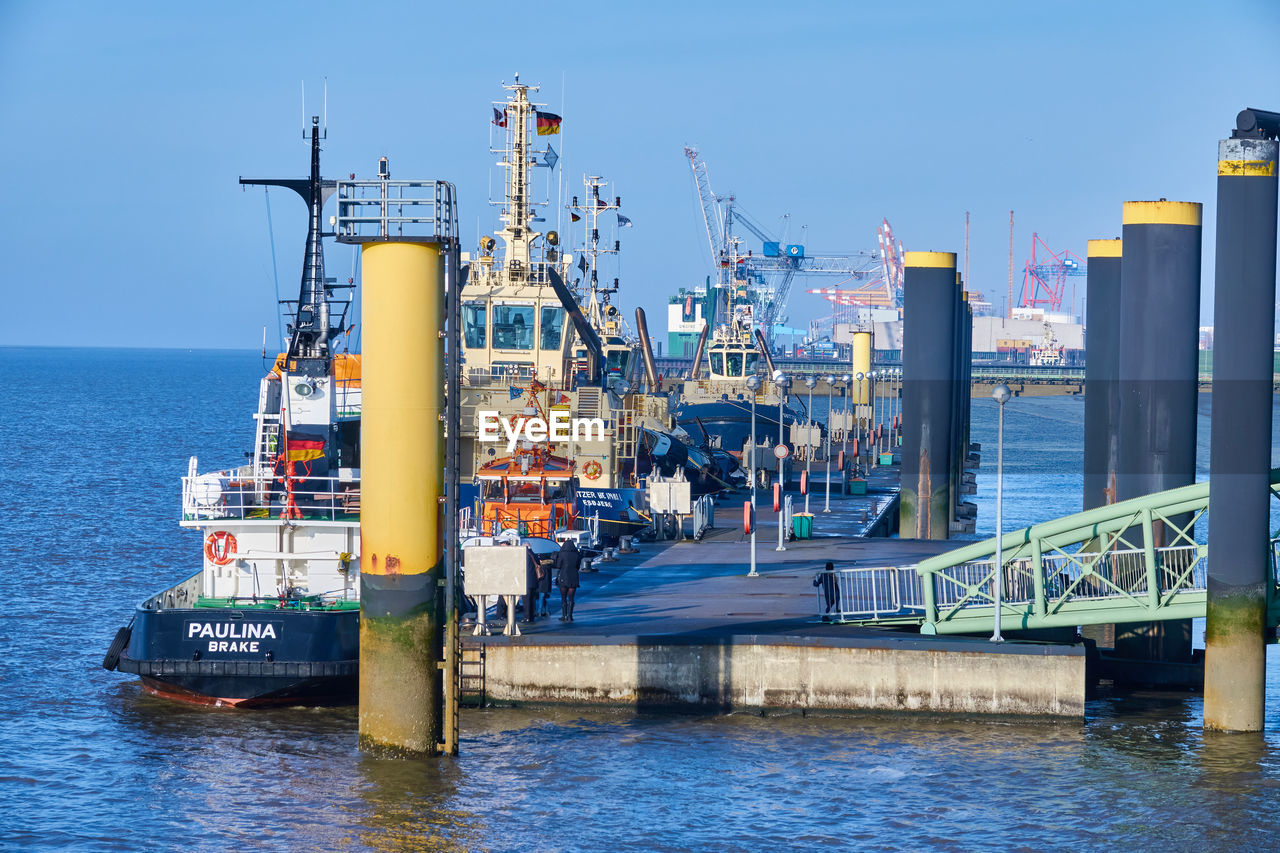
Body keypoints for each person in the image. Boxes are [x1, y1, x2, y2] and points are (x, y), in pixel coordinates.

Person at [555, 538, 582, 622]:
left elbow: (558, 566)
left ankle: (564, 615)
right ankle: (570, 616)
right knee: (571, 598)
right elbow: (578, 566)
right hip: (573, 577)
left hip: (563, 576)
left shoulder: (562, 554)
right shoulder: (577, 554)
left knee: (563, 597)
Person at [522, 546, 539, 623]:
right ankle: (532, 616)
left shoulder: (524, 556)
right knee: (532, 600)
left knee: (526, 601)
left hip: (526, 581)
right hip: (534, 581)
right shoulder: (534, 555)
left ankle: (527, 617)